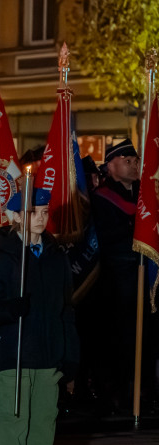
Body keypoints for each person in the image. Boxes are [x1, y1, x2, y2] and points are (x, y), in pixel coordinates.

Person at [0, 188, 78, 445]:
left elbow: (66, 309)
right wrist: (11, 308)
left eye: (44, 211)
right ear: (16, 216)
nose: (41, 218)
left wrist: (70, 355)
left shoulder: (56, 257)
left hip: (48, 356)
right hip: (16, 356)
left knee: (42, 429)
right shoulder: (3, 259)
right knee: (14, 426)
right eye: (33, 212)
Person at [89, 139, 140, 410]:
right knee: (118, 336)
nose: (134, 165)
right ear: (110, 166)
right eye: (127, 161)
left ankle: (142, 389)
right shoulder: (102, 198)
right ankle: (116, 392)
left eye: (136, 161)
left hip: (143, 276)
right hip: (115, 279)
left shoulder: (144, 195)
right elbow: (105, 238)